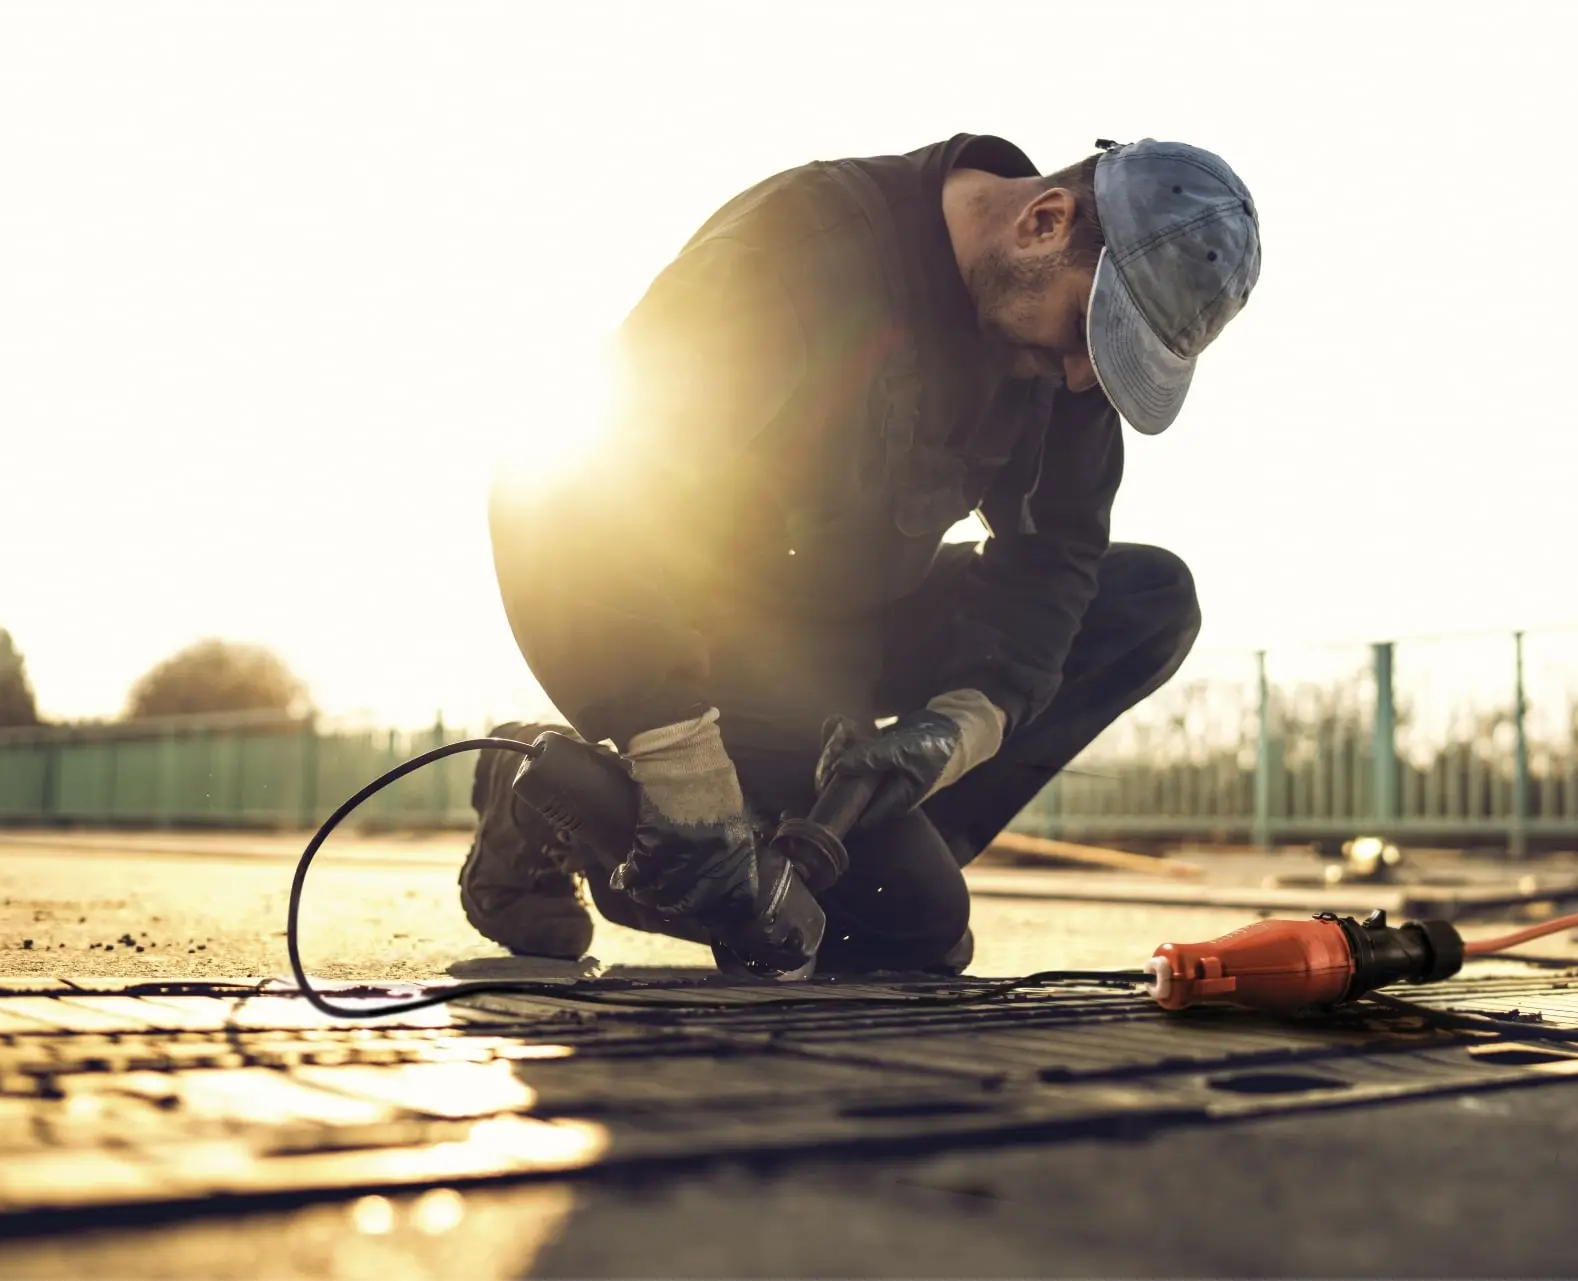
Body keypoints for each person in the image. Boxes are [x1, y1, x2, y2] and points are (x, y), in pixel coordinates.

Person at [463, 134, 1260, 976]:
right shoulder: (795, 259)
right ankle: (549, 797)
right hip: (717, 629)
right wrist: (673, 749)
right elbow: (560, 490)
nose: (1075, 379)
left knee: (1148, 600)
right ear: (1045, 221)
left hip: (863, 607)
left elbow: (1057, 555)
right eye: (1082, 336)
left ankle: (885, 842)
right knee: (906, 932)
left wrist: (969, 722)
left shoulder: (1060, 352)